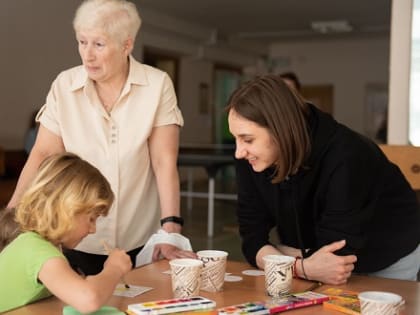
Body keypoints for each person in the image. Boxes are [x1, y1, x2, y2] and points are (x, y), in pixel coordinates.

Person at [7, 0, 195, 276]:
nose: (87, 55)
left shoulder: (157, 85)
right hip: (71, 234)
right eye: (82, 42)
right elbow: (44, 154)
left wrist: (171, 230)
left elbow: (163, 160)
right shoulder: (64, 85)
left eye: (98, 44)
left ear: (126, 45)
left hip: (138, 238)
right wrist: (12, 214)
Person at [227, 74, 420, 285]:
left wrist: (281, 256)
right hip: (313, 262)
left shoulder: (348, 155)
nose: (239, 152)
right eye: (236, 139)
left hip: (387, 256)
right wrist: (301, 266)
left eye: (247, 139)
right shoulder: (252, 158)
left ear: (280, 130)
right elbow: (252, 239)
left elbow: (335, 258)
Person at [0, 153, 132, 313]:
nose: (93, 229)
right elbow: (88, 299)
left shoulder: (39, 244)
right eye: (91, 219)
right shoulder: (36, 250)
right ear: (66, 209)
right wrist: (114, 268)